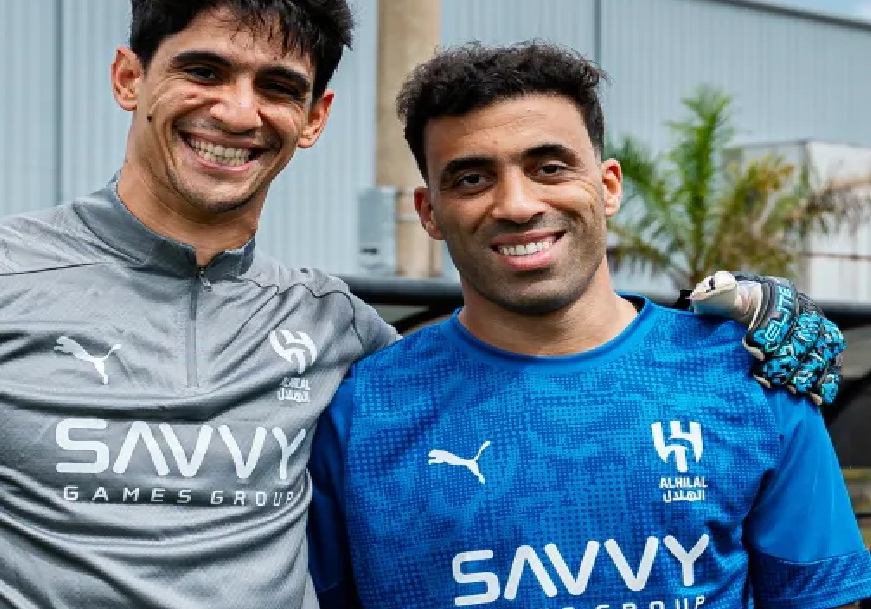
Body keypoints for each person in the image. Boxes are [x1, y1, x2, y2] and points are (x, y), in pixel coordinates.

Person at [0, 0, 841, 609]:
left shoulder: (341, 335)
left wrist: (759, 343)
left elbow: (525, 366)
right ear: (130, 78)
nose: (235, 110)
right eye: (201, 70)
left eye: (276, 87)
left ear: (313, 120)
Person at [306, 41, 871, 609]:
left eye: (549, 168)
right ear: (429, 212)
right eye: (473, 179)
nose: (518, 205)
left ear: (608, 186)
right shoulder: (359, 415)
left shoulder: (755, 379)